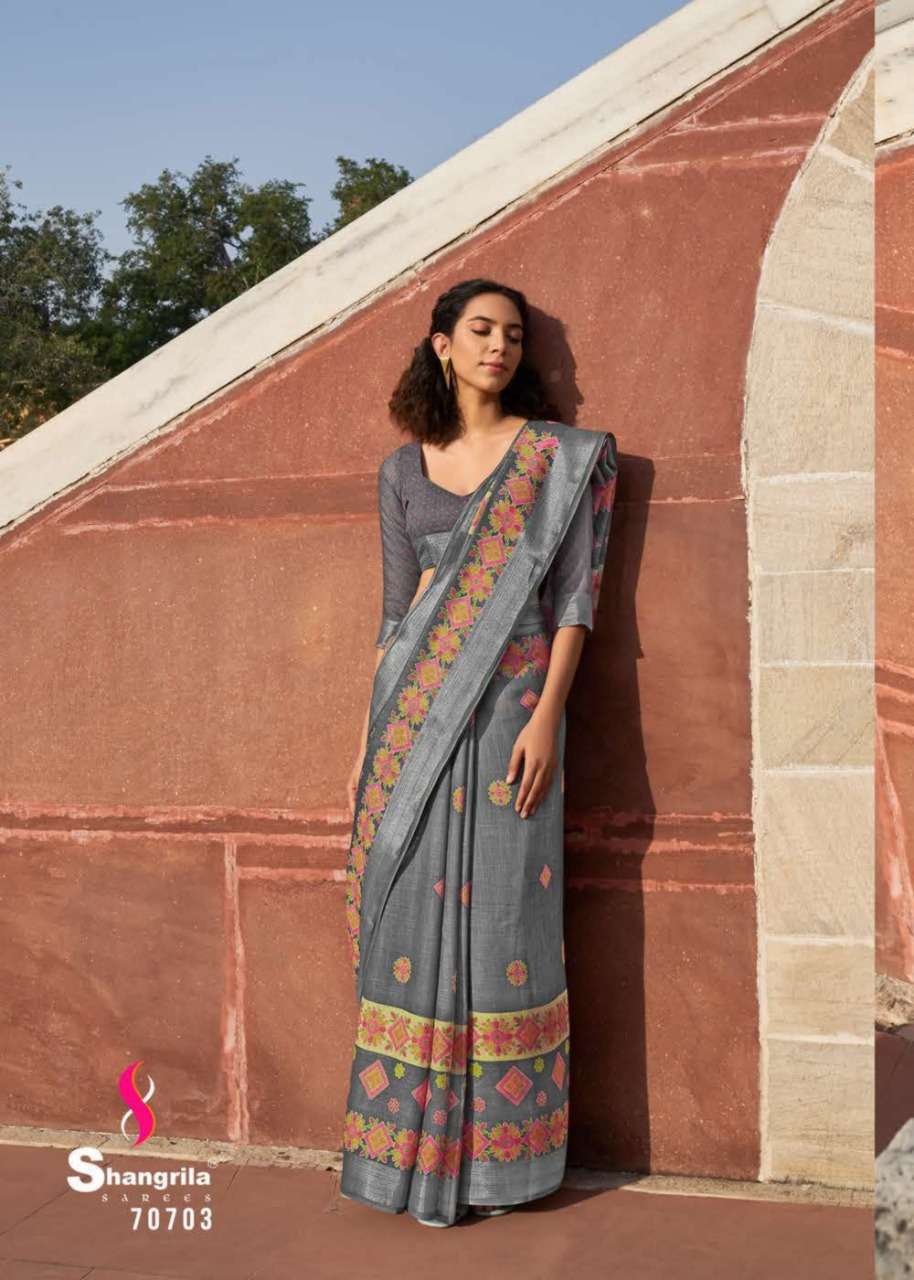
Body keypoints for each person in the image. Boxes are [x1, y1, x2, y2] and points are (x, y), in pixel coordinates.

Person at [339, 277, 618, 1228]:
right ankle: (406, 1158)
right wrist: (367, 748)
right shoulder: (401, 470)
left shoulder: (557, 460)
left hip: (513, 713)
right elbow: (394, 620)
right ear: (443, 345)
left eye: (514, 335)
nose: (499, 347)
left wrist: (548, 716)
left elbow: (574, 600)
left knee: (506, 921)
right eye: (481, 331)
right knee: (408, 920)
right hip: (412, 720)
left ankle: (501, 1165)